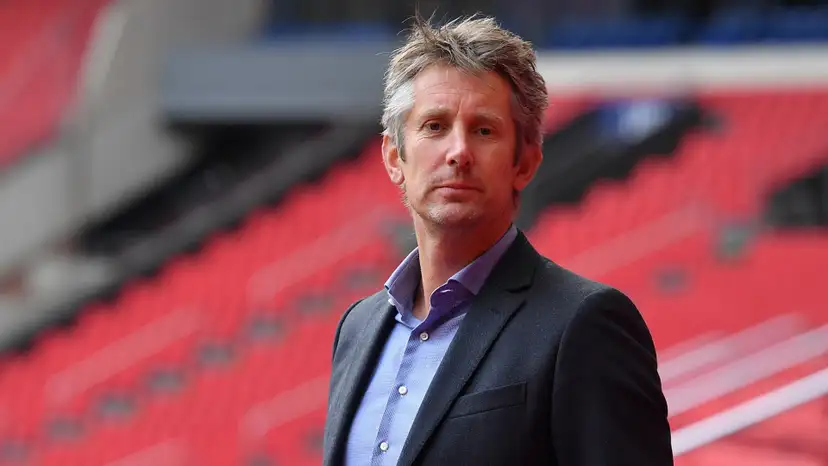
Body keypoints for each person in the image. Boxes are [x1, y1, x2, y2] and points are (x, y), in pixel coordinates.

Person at [322, 13, 673, 466]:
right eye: (434, 126)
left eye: (483, 130)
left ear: (524, 163)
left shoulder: (585, 324)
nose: (458, 152)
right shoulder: (357, 328)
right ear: (394, 158)